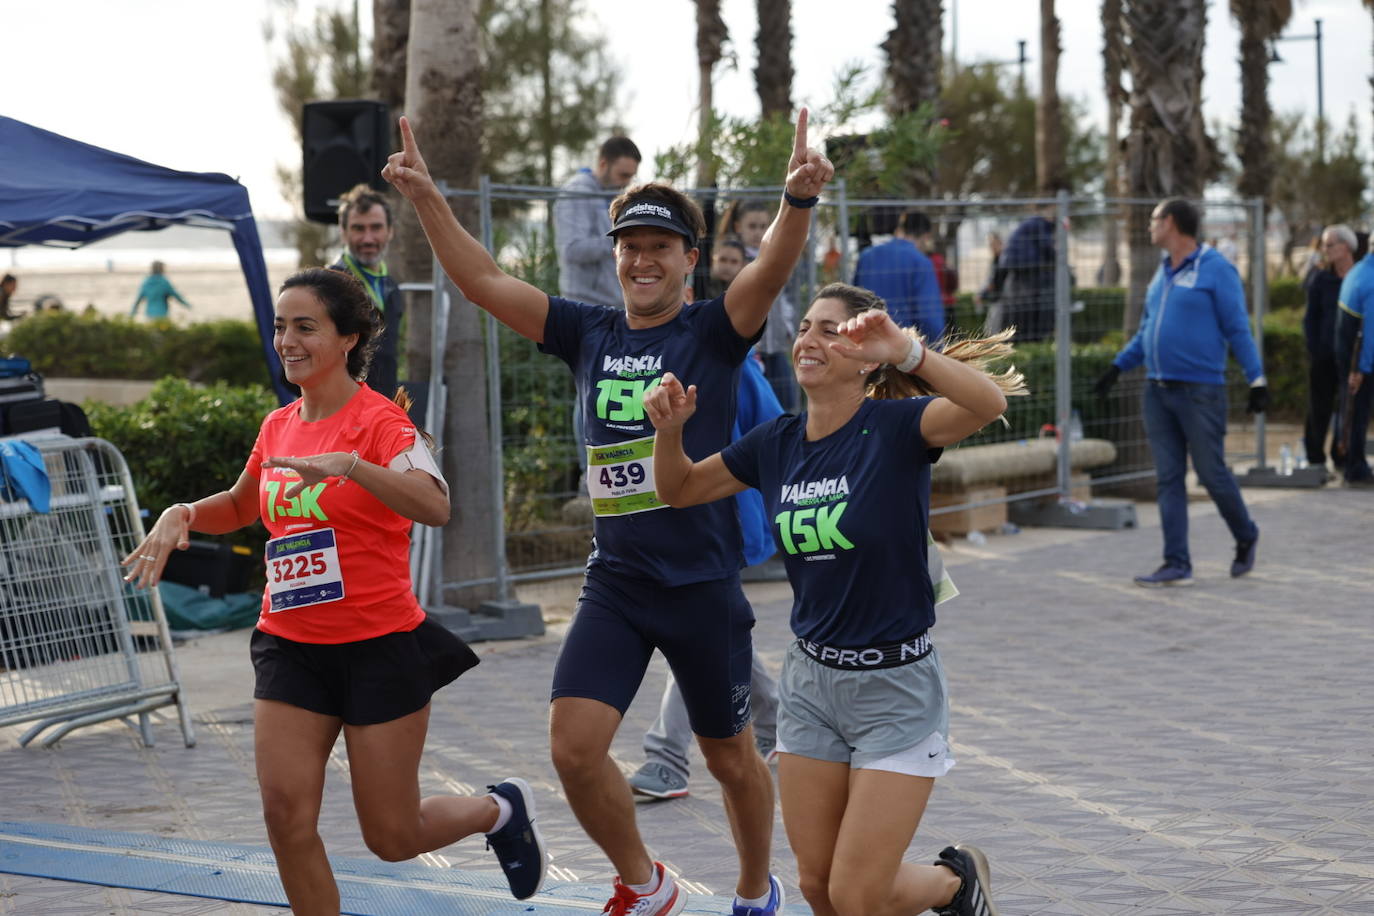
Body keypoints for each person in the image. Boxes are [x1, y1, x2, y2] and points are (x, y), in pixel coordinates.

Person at [384, 111, 833, 915]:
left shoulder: (714, 329)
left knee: (732, 762)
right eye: (629, 244)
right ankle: (646, 883)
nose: (641, 258)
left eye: (660, 246)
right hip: (617, 582)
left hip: (700, 584)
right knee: (574, 750)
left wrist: (796, 202)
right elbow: (482, 281)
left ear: (690, 260)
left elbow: (768, 273)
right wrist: (426, 198)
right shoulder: (586, 331)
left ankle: (756, 890)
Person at [120, 267, 546, 912]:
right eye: (280, 327)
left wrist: (351, 465)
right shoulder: (278, 426)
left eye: (305, 327)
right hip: (290, 646)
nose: (287, 340)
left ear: (347, 339)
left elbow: (435, 506)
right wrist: (183, 511)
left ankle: (500, 809)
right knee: (286, 818)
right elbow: (241, 504)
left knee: (393, 837)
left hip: (379, 647)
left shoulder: (383, 425)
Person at [644, 281, 1022, 916]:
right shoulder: (776, 442)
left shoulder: (898, 429)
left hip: (895, 689)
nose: (809, 340)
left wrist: (909, 351)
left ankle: (954, 882)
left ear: (866, 354)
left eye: (830, 330)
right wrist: (669, 430)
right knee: (821, 890)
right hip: (812, 687)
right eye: (804, 328)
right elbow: (678, 488)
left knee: (856, 894)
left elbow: (986, 403)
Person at [627, 347, 784, 801]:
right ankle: (776, 719)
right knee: (715, 634)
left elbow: (776, 432)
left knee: (696, 630)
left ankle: (667, 758)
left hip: (719, 526)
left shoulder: (728, 362)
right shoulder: (620, 356)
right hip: (653, 528)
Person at [1094, 198, 1268, 587]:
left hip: (1200, 392)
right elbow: (1147, 331)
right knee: (1168, 478)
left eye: (1154, 220)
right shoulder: (1162, 273)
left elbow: (1237, 328)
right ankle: (1176, 562)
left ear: (1170, 223)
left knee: (1211, 474)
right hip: (1158, 391)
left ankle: (1246, 534)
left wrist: (1257, 380)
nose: (1150, 226)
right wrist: (1116, 367)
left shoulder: (1216, 269)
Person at [720, 198, 799, 411]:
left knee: (784, 405)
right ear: (738, 227)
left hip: (775, 344)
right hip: (748, 346)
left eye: (763, 226)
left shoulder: (777, 256)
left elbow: (787, 299)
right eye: (752, 226)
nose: (758, 232)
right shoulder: (733, 258)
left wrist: (790, 328)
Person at [331, 184, 405, 399]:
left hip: (383, 409)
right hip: (343, 413)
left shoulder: (391, 286)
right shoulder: (329, 287)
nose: (368, 238)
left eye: (376, 227)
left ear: (390, 231)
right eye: (358, 228)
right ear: (343, 232)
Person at [554, 135, 641, 308]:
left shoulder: (611, 193)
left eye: (631, 176)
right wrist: (623, 239)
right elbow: (571, 250)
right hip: (584, 306)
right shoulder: (578, 192)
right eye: (623, 175)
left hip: (612, 303)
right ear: (603, 164)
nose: (627, 182)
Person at [1302, 225, 1358, 470]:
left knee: (1349, 408)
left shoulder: (1361, 277)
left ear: (1345, 247)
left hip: (1352, 357)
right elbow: (1310, 317)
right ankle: (1315, 459)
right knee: (1318, 408)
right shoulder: (1320, 278)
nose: (1324, 250)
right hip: (1323, 355)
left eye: (1329, 244)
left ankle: (1342, 456)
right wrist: (1314, 348)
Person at [853, 209, 945, 341]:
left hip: (867, 342)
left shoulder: (867, 256)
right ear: (926, 236)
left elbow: (853, 300)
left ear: (899, 230)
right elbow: (930, 317)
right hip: (904, 345)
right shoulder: (921, 262)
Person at [1335, 244, 1374, 486]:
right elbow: (1370, 331)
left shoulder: (1359, 270)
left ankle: (1347, 460)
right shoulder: (1370, 279)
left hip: (1347, 352)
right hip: (1359, 359)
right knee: (1357, 413)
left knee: (1350, 410)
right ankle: (1355, 467)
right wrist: (1361, 369)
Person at [998, 207, 1057, 342]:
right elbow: (1048, 249)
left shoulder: (1028, 226)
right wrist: (1059, 258)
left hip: (1019, 276)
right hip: (1029, 275)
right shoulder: (1040, 225)